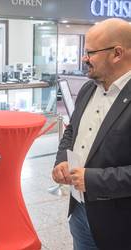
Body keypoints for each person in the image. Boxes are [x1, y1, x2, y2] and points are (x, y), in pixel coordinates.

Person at [52, 18, 131, 250]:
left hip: (119, 225)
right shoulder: (88, 88)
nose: (83, 59)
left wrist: (93, 180)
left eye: (90, 52)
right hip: (79, 212)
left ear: (117, 53)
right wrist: (62, 162)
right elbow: (72, 131)